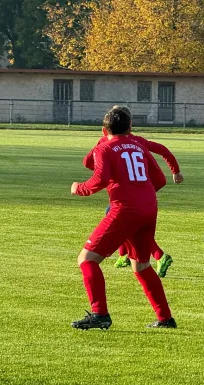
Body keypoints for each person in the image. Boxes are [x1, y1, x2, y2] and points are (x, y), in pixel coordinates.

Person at [70, 107, 176, 330]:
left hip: (125, 209)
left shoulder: (105, 147)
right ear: (130, 127)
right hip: (148, 207)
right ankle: (165, 319)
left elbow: (99, 178)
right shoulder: (138, 145)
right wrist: (141, 195)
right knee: (142, 266)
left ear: (103, 129)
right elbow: (159, 179)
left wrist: (78, 188)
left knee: (87, 259)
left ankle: (100, 314)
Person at [83, 106, 183, 277]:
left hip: (125, 198)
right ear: (130, 126)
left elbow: (87, 162)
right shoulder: (138, 141)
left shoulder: (105, 142)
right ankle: (124, 256)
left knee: (119, 222)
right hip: (146, 197)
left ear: (106, 128)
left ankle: (158, 255)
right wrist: (176, 171)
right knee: (130, 227)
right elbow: (163, 151)